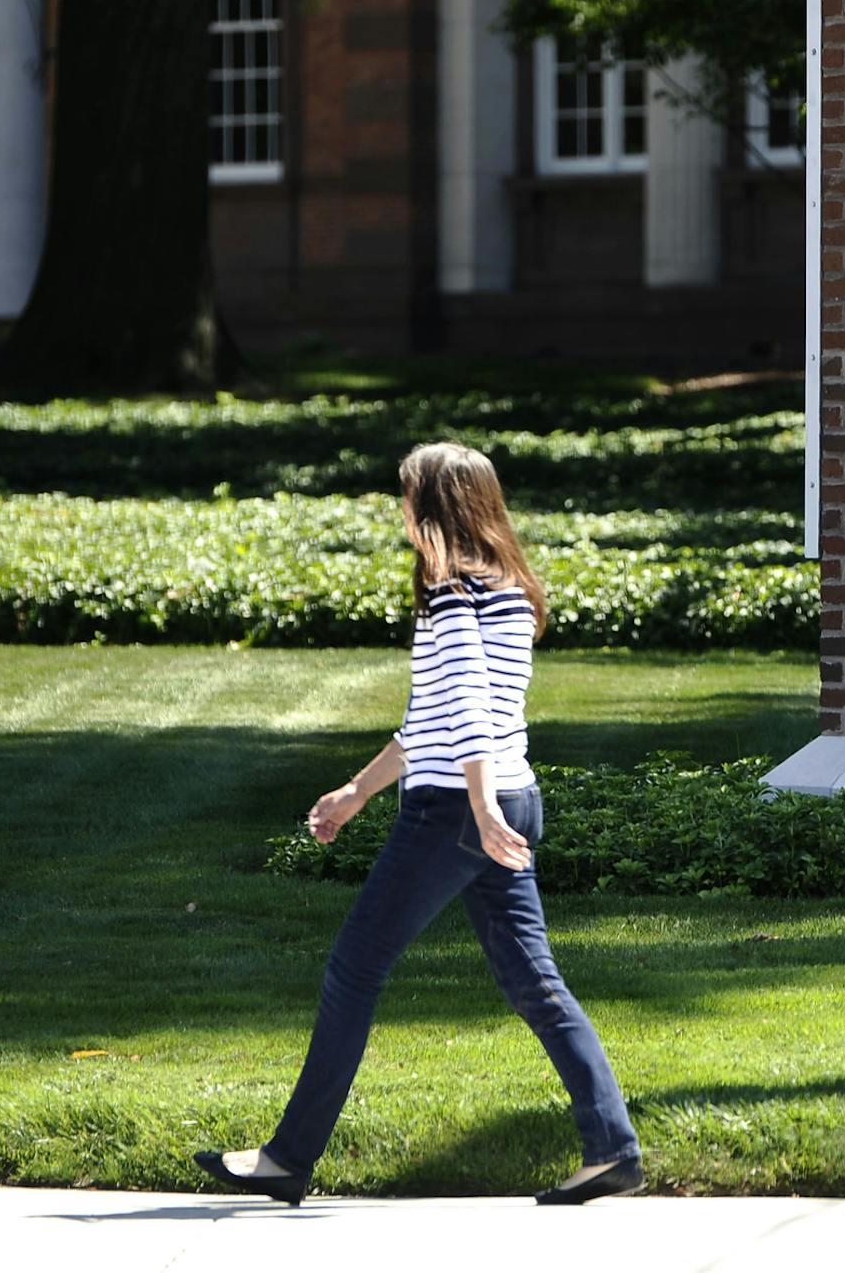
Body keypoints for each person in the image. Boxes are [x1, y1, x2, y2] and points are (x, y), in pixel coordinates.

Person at [194, 442, 643, 1207]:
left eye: (407, 497)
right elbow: (433, 720)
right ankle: (613, 1149)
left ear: (433, 508)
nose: (400, 511)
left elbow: (467, 705)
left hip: (457, 810)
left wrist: (478, 806)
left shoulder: (450, 590)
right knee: (533, 981)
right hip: (507, 797)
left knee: (353, 969)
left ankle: (287, 1159)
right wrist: (357, 791)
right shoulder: (508, 587)